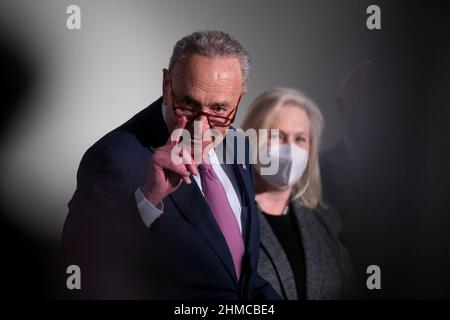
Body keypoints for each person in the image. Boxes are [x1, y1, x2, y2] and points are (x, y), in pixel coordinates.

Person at [62, 30, 279, 299]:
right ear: (167, 85)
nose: (201, 127)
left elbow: (236, 274)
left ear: (239, 100)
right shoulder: (114, 157)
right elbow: (79, 266)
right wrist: (148, 198)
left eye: (219, 109)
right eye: (188, 103)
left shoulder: (238, 143)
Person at [241, 87, 355, 299]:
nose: (290, 149)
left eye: (300, 139)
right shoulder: (229, 220)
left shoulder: (324, 220)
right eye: (278, 136)